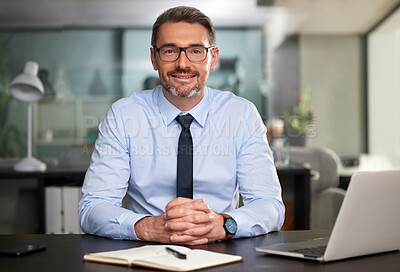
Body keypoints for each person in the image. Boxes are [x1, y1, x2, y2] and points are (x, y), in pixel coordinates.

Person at [79, 6, 285, 245]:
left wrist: (225, 224)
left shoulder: (242, 114)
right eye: (170, 51)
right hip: (146, 251)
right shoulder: (124, 116)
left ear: (213, 58)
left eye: (196, 51)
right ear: (154, 58)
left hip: (221, 250)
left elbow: (269, 204)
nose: (183, 63)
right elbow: (92, 208)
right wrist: (147, 227)